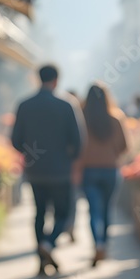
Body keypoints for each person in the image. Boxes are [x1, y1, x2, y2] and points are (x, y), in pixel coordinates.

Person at [11, 64, 84, 275]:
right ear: (56, 80)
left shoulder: (25, 105)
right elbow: (78, 141)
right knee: (64, 212)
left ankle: (41, 260)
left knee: (39, 213)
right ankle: (49, 244)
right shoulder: (66, 105)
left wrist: (30, 154)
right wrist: (68, 158)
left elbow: (16, 140)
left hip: (35, 171)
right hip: (60, 170)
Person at [76, 83, 128, 266]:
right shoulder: (115, 118)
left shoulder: (81, 119)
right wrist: (111, 153)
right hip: (110, 170)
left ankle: (96, 243)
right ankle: (104, 244)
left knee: (93, 210)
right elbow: (124, 146)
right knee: (107, 210)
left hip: (89, 170)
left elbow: (77, 146)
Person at [59, 89, 83, 244]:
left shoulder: (62, 113)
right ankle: (68, 227)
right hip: (70, 166)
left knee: (66, 201)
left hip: (61, 166)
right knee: (71, 200)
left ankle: (65, 228)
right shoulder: (74, 114)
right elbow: (79, 142)